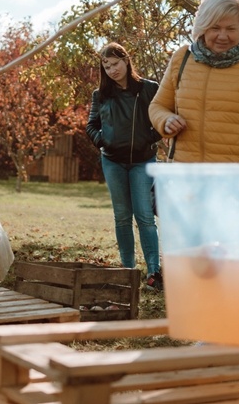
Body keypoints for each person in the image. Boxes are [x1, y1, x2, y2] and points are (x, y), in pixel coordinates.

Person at [150, 0, 239, 165]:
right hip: (186, 176)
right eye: (215, 27)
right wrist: (165, 120)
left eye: (230, 28)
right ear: (203, 26)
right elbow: (157, 106)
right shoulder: (182, 58)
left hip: (237, 180)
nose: (223, 36)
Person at [87, 42, 164, 291]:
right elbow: (91, 126)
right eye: (106, 66)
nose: (111, 70)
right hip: (112, 161)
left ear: (127, 60)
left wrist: (148, 138)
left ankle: (154, 273)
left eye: (115, 63)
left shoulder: (149, 89)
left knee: (144, 216)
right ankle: (127, 271)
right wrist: (103, 141)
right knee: (122, 218)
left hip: (143, 161)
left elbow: (164, 117)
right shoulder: (101, 95)